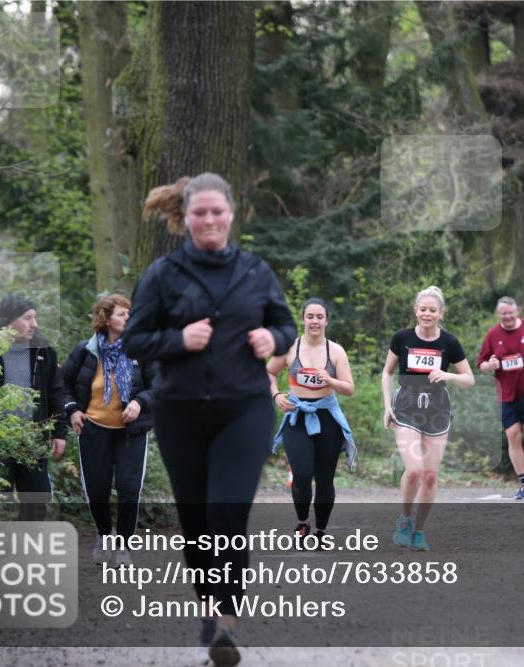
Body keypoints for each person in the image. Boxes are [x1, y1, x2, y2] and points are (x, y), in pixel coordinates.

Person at [123, 173, 296, 667]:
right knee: (198, 522)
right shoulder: (162, 274)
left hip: (244, 408)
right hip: (180, 412)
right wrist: (179, 341)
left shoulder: (255, 271)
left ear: (231, 213)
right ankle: (207, 615)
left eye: (218, 211)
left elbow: (284, 324)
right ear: (186, 217)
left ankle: (224, 622)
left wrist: (274, 340)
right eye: (200, 213)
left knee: (227, 513)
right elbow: (134, 340)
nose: (210, 220)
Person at [61, 293, 156, 566]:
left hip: (130, 432)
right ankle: (105, 535)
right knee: (97, 489)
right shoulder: (86, 350)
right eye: (121, 314)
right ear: (106, 319)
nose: (128, 318)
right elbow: (63, 383)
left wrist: (139, 402)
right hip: (93, 429)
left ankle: (124, 545)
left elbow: (159, 385)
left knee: (128, 489)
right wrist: (72, 410)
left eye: (129, 313)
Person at [382, 286, 474, 551]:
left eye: (432, 310)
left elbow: (469, 379)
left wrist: (448, 376)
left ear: (441, 313)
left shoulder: (449, 343)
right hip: (407, 408)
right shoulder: (402, 338)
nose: (427, 314)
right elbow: (387, 373)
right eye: (422, 309)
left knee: (431, 476)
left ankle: (419, 531)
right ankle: (404, 519)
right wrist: (387, 406)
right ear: (415, 311)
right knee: (414, 470)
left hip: (437, 410)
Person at [267, 298, 356, 545]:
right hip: (297, 416)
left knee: (325, 478)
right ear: (303, 319)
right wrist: (276, 395)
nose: (315, 321)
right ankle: (303, 521)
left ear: (326, 320)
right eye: (310, 316)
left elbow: (349, 389)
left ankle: (321, 531)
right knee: (303, 474)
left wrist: (330, 380)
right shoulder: (290, 348)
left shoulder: (336, 351)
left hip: (327, 418)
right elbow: (268, 372)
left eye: (319, 316)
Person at [0, 294, 67, 521]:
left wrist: (59, 432)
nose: (35, 324)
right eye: (28, 318)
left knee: (37, 502)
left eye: (35, 318)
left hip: (33, 440)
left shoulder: (44, 352)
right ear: (9, 321)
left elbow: (56, 393)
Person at [476, 297, 524, 500]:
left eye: (511, 312)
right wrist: (490, 365)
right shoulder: (493, 335)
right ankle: (523, 484)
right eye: (504, 313)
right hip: (507, 394)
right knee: (513, 436)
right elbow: (481, 363)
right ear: (498, 314)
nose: (508, 316)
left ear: (517, 311)